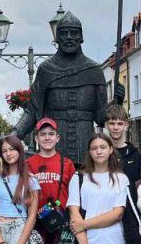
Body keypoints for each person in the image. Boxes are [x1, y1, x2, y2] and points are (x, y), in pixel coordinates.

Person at [12, 12, 108, 165]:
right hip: (53, 147)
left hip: (85, 150)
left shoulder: (94, 70)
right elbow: (32, 111)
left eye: (74, 33)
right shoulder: (46, 69)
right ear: (57, 38)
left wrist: (117, 102)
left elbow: (101, 118)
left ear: (81, 37)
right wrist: (14, 135)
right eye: (64, 33)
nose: (69, 37)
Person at [105, 104, 141, 185]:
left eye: (120, 124)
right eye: (112, 123)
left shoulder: (136, 155)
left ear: (126, 126)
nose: (116, 127)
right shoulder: (101, 153)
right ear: (106, 125)